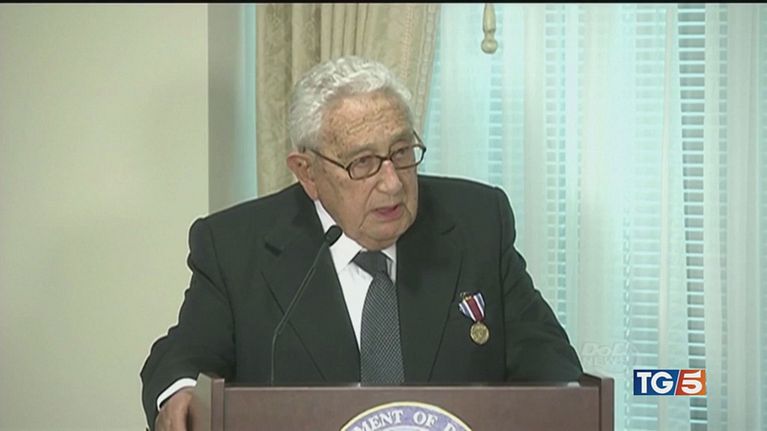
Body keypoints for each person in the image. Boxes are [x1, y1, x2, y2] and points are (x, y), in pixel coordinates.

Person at [140, 55, 583, 431]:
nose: (393, 184)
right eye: (363, 163)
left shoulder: (476, 222)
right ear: (307, 172)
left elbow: (548, 360)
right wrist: (180, 395)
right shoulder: (236, 246)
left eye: (402, 153)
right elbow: (183, 355)